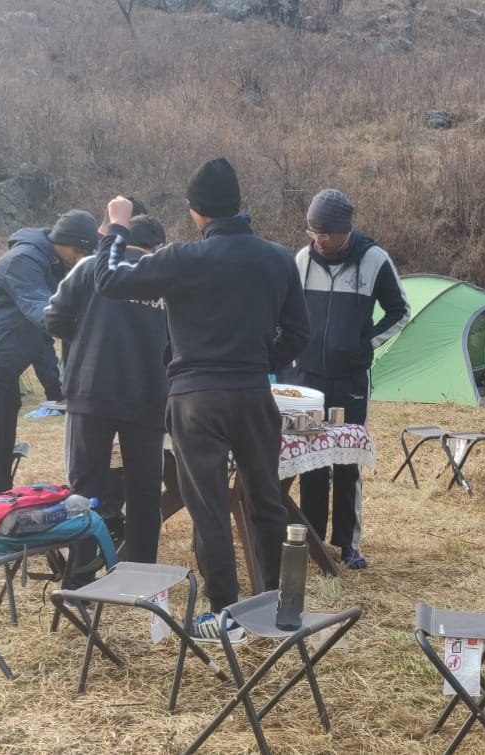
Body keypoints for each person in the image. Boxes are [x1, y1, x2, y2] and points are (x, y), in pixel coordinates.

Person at [96, 158, 309, 643]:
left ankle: (226, 614)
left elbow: (108, 281)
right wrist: (259, 358)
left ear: (196, 213)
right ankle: (278, 605)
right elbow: (299, 333)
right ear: (238, 206)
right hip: (254, 391)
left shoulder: (183, 259)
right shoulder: (277, 258)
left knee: (209, 507)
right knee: (267, 500)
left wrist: (116, 226)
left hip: (195, 396)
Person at [278, 189, 408, 570]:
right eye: (314, 232)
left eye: (327, 233)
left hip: (351, 378)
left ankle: (348, 544)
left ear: (344, 230)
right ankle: (313, 538)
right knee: (312, 458)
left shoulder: (373, 260)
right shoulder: (301, 261)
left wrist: (366, 343)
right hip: (307, 381)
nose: (320, 239)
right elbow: (287, 313)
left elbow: (400, 310)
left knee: (347, 461)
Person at [44, 214, 171, 579]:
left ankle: (81, 571)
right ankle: (141, 570)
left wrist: (84, 336)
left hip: (92, 387)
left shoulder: (89, 267)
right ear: (156, 247)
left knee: (86, 486)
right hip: (148, 391)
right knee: (144, 487)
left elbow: (52, 317)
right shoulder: (164, 275)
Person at [0, 210, 97, 501]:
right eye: (79, 250)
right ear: (63, 242)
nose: (80, 257)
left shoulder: (55, 264)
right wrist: (93, 331)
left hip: (4, 363)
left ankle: (3, 505)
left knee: (3, 442)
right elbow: (42, 314)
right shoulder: (25, 260)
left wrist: (56, 389)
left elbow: (41, 335)